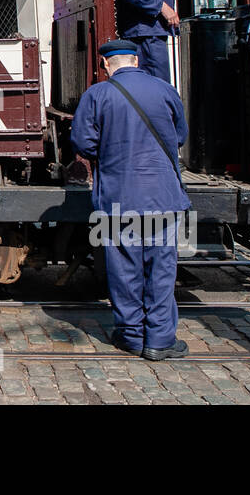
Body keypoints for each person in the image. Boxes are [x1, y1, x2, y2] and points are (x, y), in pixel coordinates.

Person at [71, 38, 191, 360]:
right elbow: (179, 136)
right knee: (162, 269)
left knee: (124, 269)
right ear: (136, 61)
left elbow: (83, 142)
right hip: (164, 197)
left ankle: (132, 336)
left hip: (118, 198)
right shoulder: (165, 90)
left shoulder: (97, 95)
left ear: (107, 66)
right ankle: (160, 340)